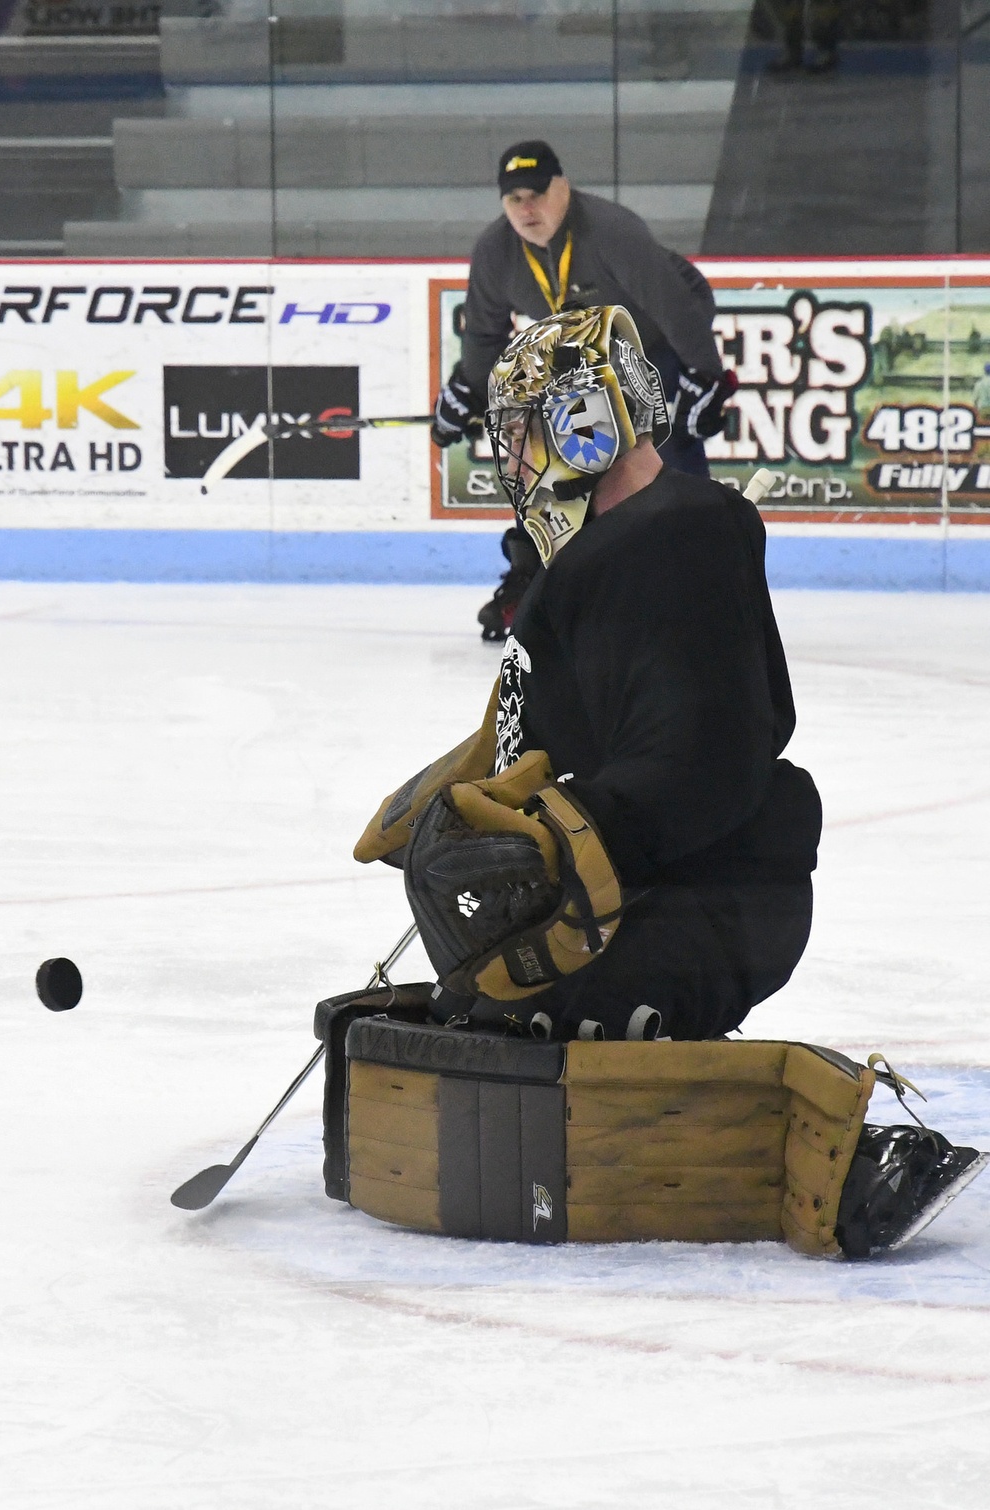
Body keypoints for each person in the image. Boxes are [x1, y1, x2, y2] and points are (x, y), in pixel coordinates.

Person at [357, 304, 986, 1258]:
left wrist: (573, 835)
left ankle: (820, 1151)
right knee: (465, 1017)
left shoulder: (673, 535)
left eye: (529, 432)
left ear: (586, 424)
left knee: (496, 1030)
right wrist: (466, 794)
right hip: (684, 891)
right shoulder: (628, 551)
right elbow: (592, 729)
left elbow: (708, 754)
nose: (517, 461)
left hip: (699, 901)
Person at [431, 139, 736, 641]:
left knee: (666, 446)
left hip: (658, 333)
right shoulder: (495, 252)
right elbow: (484, 334)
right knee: (545, 455)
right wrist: (468, 388)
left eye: (537, 194)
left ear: (564, 188)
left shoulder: (612, 231)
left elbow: (676, 307)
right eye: (514, 200)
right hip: (583, 350)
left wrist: (705, 376)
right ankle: (536, 578)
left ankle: (704, 588)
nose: (527, 209)